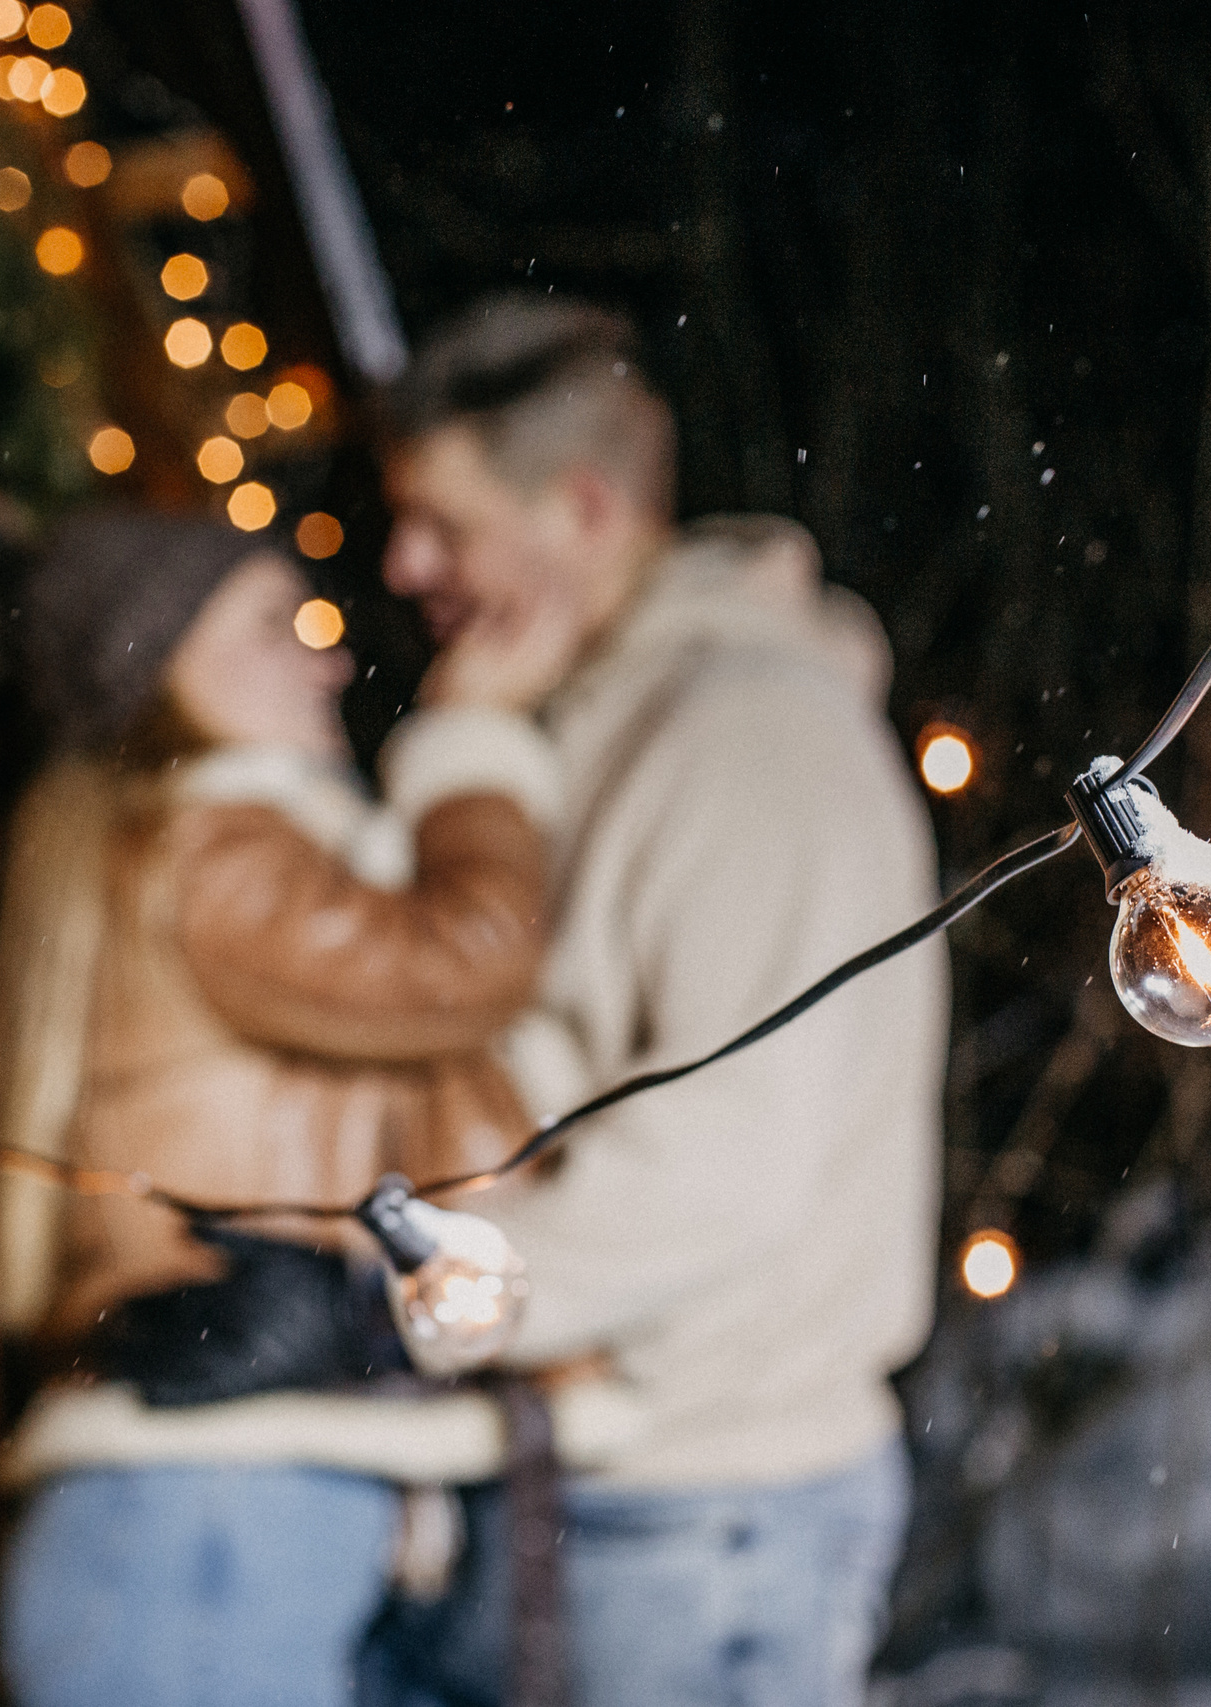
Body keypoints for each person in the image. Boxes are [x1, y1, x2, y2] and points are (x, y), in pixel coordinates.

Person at [369, 298, 949, 1707]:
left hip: (708, 1508)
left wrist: (406, 1291)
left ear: (580, 506)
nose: (402, 565)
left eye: (443, 526)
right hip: (614, 1483)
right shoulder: (592, 720)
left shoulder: (742, 736)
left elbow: (724, 1163)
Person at [0, 507, 609, 1707]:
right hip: (208, 1511)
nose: (329, 658)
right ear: (162, 667)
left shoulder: (202, 845)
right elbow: (465, 959)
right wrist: (472, 738)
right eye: (276, 625)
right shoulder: (219, 848)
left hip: (220, 1501)